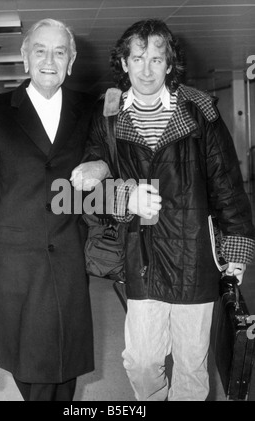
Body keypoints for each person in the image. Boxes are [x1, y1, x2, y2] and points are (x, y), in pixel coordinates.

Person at [71, 19, 255, 401]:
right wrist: (125, 198)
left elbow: (226, 182)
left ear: (170, 64)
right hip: (142, 255)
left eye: (157, 59)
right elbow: (91, 193)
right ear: (123, 64)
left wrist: (237, 249)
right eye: (137, 59)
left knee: (191, 366)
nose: (146, 69)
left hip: (194, 254)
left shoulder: (200, 111)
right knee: (140, 360)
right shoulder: (107, 116)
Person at [0, 18, 109, 402]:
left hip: (68, 258)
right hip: (15, 262)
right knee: (31, 367)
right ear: (25, 58)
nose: (49, 59)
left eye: (60, 52)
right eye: (39, 50)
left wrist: (102, 167)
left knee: (65, 365)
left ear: (71, 61)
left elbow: (109, 161)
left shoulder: (89, 110)